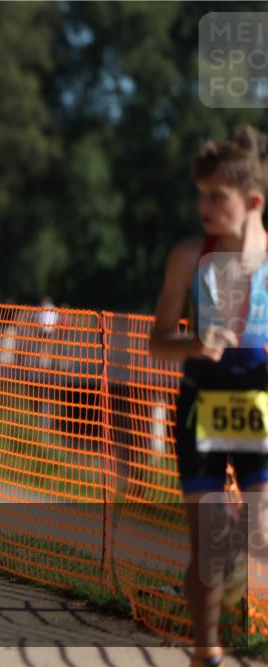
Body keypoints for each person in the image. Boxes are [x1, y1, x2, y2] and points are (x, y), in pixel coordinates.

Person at [149, 125, 268, 667]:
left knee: (258, 535)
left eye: (215, 196)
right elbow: (156, 343)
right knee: (208, 549)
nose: (203, 205)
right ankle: (207, 653)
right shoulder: (188, 256)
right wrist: (195, 342)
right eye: (200, 194)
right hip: (200, 405)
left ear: (251, 202)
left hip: (257, 410)